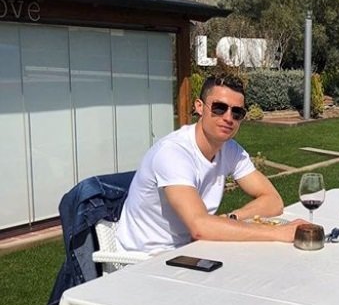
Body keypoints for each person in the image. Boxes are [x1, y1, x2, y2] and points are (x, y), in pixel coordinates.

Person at [116, 74, 302, 253]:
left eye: (237, 112)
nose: (228, 118)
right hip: (148, 257)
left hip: (195, 248)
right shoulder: (173, 153)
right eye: (219, 108)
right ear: (199, 106)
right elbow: (200, 227)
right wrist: (278, 233)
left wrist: (232, 218)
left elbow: (273, 201)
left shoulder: (230, 149)